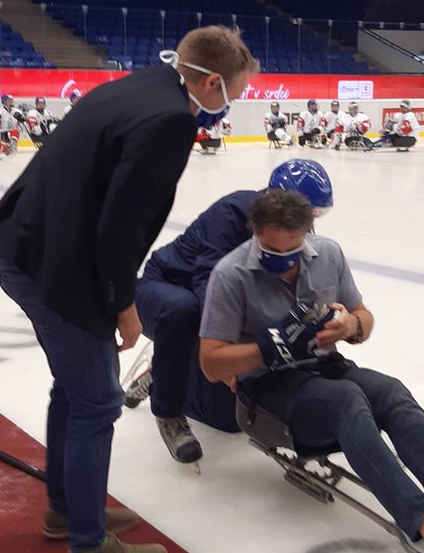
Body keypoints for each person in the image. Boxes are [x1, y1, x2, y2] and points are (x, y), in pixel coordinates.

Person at [0, 26, 258, 553]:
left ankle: (67, 508)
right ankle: (88, 547)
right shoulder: (171, 120)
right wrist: (122, 302)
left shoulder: (138, 88)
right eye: (236, 91)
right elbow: (121, 226)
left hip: (35, 249)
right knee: (98, 402)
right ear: (209, 82)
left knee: (75, 391)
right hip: (57, 269)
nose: (235, 103)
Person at [199, 189, 424, 553]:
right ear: (256, 234)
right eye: (274, 254)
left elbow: (364, 318)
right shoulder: (231, 275)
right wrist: (269, 348)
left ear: (308, 232)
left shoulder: (328, 254)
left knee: (389, 391)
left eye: (294, 250)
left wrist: (349, 327)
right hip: (267, 390)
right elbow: (211, 364)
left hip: (325, 367)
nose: (285, 262)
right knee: (346, 400)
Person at [131, 159, 334, 466]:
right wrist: (236, 354)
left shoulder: (295, 228)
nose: (312, 222)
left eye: (317, 214)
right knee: (183, 310)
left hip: (208, 298)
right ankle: (168, 411)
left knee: (229, 419)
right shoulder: (231, 214)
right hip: (167, 288)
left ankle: (163, 373)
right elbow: (208, 288)